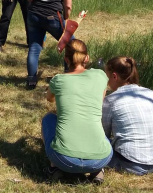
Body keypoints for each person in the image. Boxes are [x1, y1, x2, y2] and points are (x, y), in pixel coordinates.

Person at [42, 39, 112, 183]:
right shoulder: (100, 76)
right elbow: (100, 100)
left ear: (66, 59)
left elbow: (50, 99)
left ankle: (55, 167)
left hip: (64, 158)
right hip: (100, 158)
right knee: (96, 125)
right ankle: (97, 170)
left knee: (49, 119)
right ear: (87, 58)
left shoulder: (58, 80)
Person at [13, 0, 71, 89]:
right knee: (70, 45)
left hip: (34, 15)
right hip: (53, 17)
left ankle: (31, 80)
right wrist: (66, 21)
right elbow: (68, 6)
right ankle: (69, 76)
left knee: (34, 48)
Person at [102, 56, 153, 176]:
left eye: (107, 77)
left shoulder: (110, 101)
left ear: (114, 76)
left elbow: (102, 135)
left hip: (131, 163)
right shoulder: (150, 94)